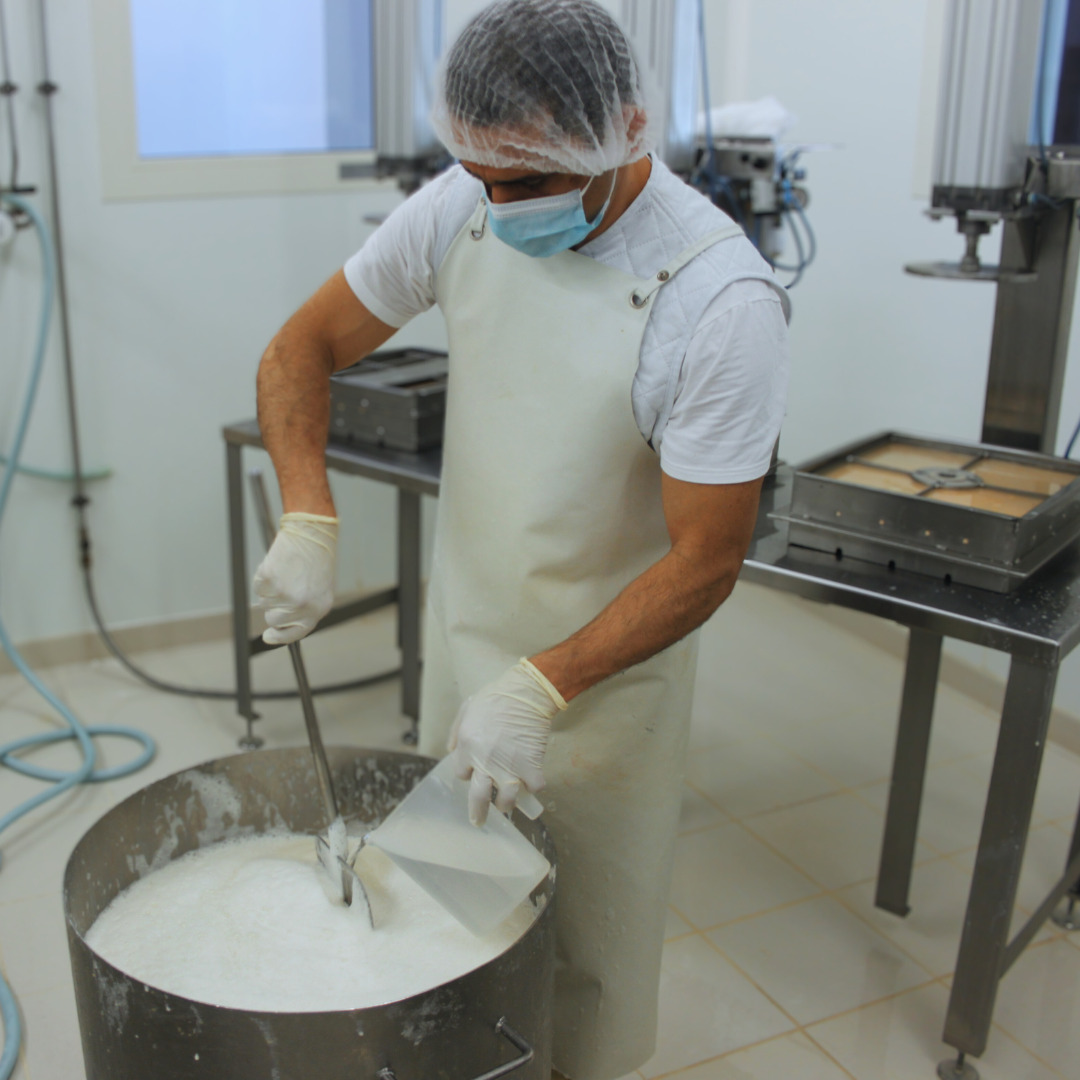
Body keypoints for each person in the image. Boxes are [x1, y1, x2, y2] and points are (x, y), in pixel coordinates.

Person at [253, 1, 790, 1076]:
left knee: (583, 957)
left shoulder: (719, 300)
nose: (498, 206)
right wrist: (307, 511)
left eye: (531, 182)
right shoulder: (468, 197)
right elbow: (301, 348)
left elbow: (707, 559)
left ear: (628, 128)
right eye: (480, 174)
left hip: (601, 692)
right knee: (450, 926)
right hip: (468, 637)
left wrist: (541, 689)